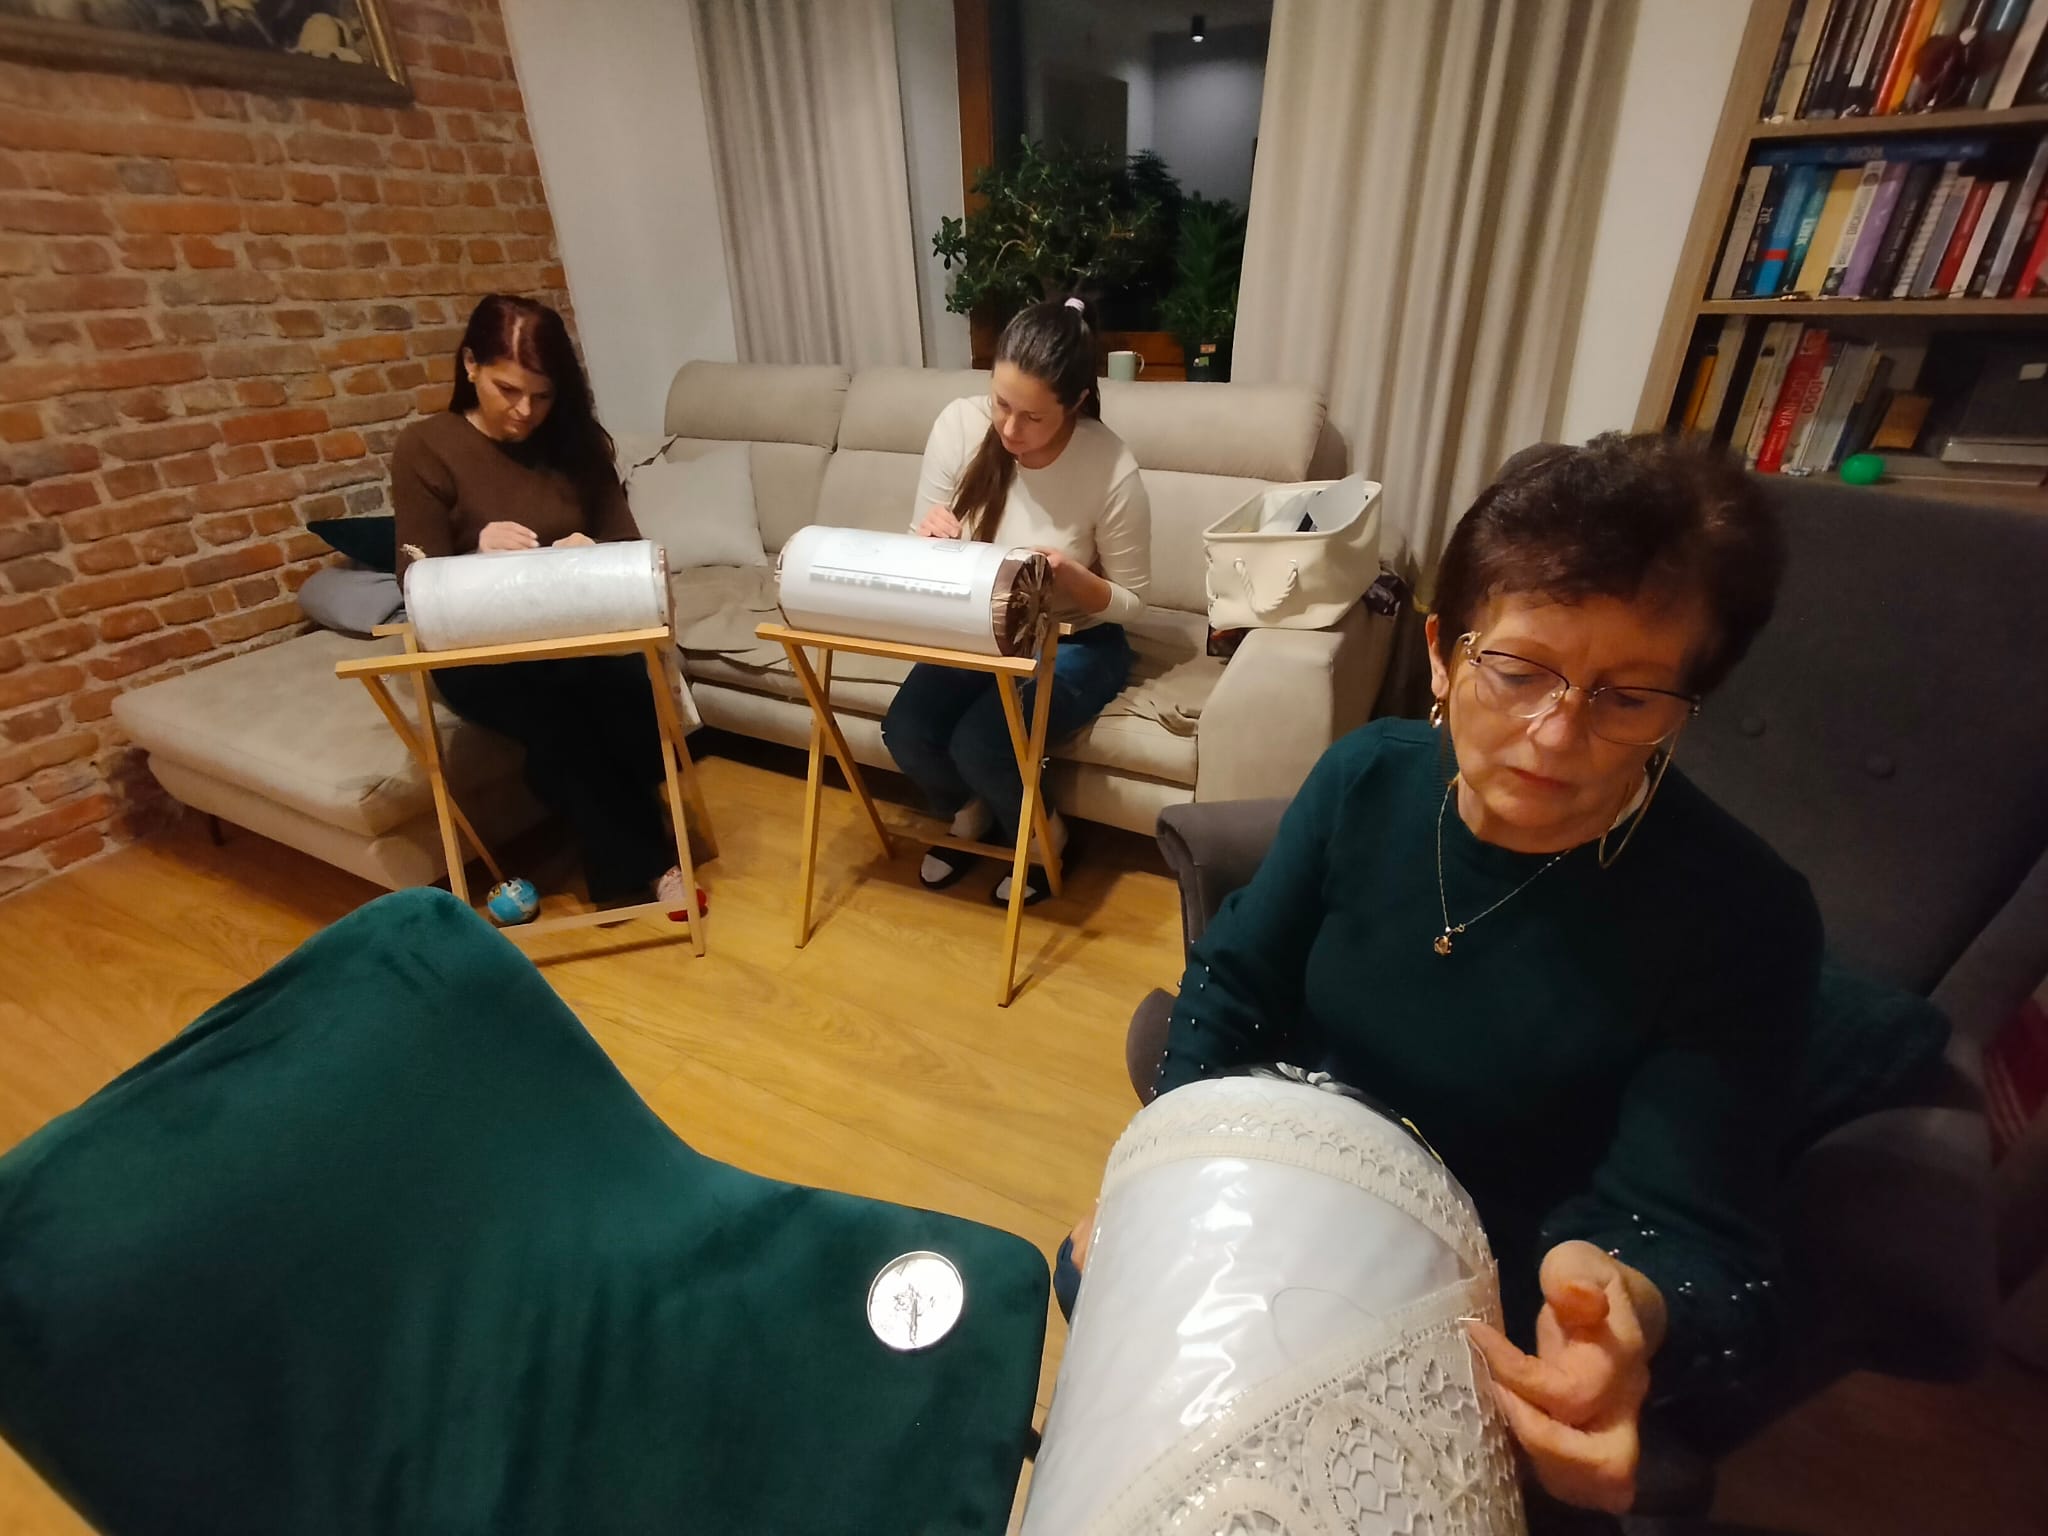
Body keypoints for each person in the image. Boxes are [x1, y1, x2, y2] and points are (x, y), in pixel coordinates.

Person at [1064, 434, 1821, 1519]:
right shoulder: (1364, 779)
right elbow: (1230, 984)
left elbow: (1700, 1237)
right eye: (1517, 671)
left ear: (1685, 704)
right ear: (1440, 653)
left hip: (1486, 1295)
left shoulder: (1740, 915)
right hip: (1291, 1195)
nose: (1553, 737)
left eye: (1627, 698)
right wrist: (1160, 1178)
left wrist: (1624, 1310)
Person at [391, 293, 688, 912]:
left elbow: (629, 548)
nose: (525, 411)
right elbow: (412, 578)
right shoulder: (427, 446)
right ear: (470, 365)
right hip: (480, 653)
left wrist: (592, 550)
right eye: (508, 390)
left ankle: (605, 840)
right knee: (562, 712)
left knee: (627, 686)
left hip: (577, 633)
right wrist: (475, 552)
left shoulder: (576, 446)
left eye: (543, 396)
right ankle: (646, 868)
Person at [881, 297, 1151, 905]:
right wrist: (927, 540)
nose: (1009, 429)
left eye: (1032, 416)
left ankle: (1043, 836)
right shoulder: (958, 425)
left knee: (983, 740)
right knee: (906, 730)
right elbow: (918, 548)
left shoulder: (1110, 465)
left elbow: (1135, 602)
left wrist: (1071, 577)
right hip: (978, 628)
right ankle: (973, 813)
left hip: (1077, 639)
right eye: (1002, 404)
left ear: (1075, 403)